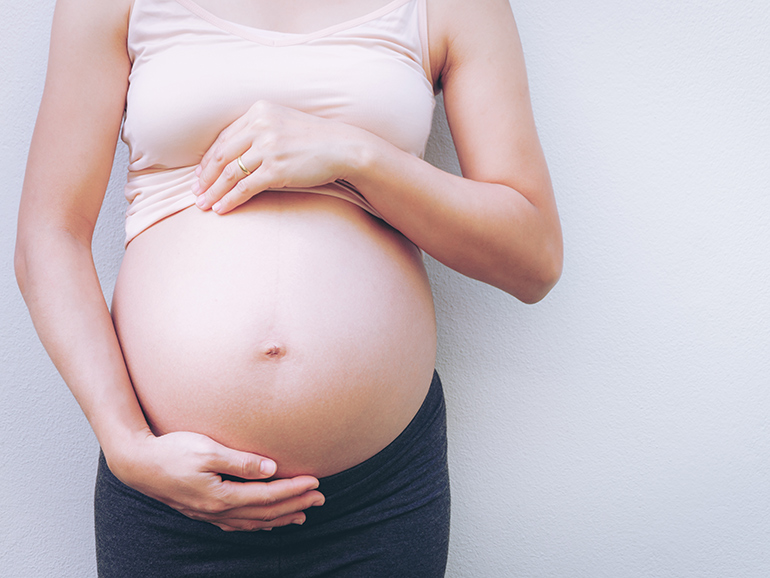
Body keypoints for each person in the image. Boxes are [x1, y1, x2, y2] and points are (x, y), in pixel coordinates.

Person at [15, 0, 562, 575]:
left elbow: (533, 257)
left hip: (376, 499)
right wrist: (126, 445)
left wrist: (355, 156)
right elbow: (50, 235)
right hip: (170, 494)